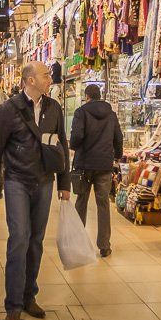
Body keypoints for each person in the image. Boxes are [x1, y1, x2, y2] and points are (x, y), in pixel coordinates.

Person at [0, 61, 69, 320]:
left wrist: (64, 183)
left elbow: (62, 146)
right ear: (30, 80)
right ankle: (13, 305)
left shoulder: (54, 108)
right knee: (19, 239)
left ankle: (29, 295)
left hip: (44, 181)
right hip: (17, 180)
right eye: (46, 75)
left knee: (36, 241)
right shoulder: (9, 109)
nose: (50, 79)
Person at [69, 84, 123, 257]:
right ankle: (104, 245)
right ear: (100, 96)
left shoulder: (81, 112)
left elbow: (77, 136)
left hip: (84, 163)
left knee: (81, 201)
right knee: (103, 204)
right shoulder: (111, 114)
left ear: (87, 96)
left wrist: (73, 146)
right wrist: (117, 155)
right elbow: (118, 137)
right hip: (104, 164)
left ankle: (78, 242)